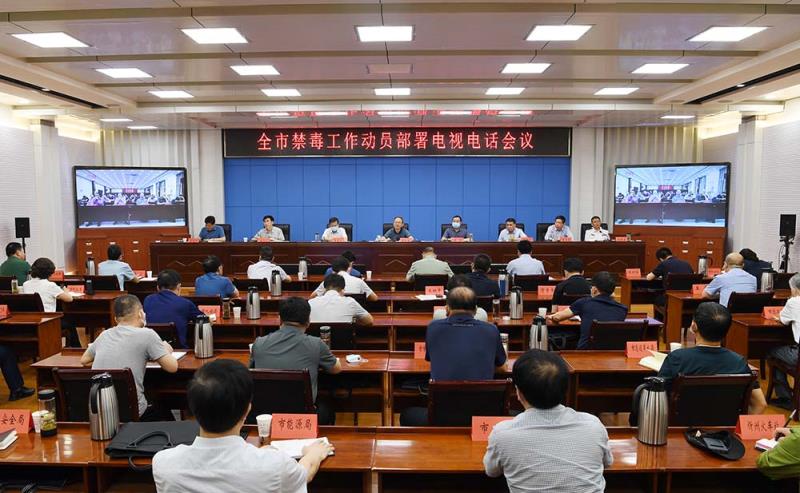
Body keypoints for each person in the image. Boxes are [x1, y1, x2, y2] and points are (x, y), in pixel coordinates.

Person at [153, 359, 334, 492]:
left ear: (192, 408)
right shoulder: (274, 465)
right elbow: (303, 475)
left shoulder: (163, 464)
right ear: (247, 410)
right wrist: (313, 454)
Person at [484, 350, 612, 492]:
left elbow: (492, 471)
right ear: (565, 390)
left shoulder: (502, 433)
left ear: (518, 392)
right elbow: (607, 462)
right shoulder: (593, 426)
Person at [401, 287, 506, 426]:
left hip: (441, 417)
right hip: (482, 417)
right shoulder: (491, 330)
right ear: (476, 310)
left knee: (407, 414)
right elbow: (502, 366)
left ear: (447, 308)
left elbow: (431, 359)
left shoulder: (433, 328)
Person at [657, 302, 766, 414]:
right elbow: (760, 404)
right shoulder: (739, 362)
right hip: (725, 424)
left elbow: (657, 398)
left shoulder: (677, 358)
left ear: (694, 326)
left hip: (682, 423)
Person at [81, 295, 179, 420]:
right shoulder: (148, 334)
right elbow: (172, 367)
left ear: (115, 319)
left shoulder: (105, 334)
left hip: (102, 411)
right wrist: (166, 350)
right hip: (133, 412)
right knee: (163, 406)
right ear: (140, 314)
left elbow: (84, 360)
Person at [250, 297, 342, 424]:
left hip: (266, 416)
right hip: (302, 418)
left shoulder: (259, 343)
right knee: (327, 407)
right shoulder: (316, 344)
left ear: (280, 320)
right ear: (308, 321)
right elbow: (336, 369)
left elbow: (252, 370)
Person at [548, 271, 628, 350]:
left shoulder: (584, 302)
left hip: (585, 351)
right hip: (611, 353)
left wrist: (550, 316)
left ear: (594, 289)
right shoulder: (623, 309)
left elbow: (558, 317)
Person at [23, 257, 80, 347]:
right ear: (49, 273)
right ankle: (76, 349)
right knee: (70, 324)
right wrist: (66, 291)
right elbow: (69, 299)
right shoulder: (50, 285)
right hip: (48, 321)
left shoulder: (26, 284)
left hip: (32, 321)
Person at [763, 273, 800, 409]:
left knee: (771, 352)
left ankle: (785, 397)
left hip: (797, 355)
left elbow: (783, 320)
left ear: (794, 289)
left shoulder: (794, 301)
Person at [143, 269, 204, 349]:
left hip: (152, 349)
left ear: (158, 287)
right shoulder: (185, 303)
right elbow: (203, 320)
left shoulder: (148, 300)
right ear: (178, 286)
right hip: (178, 350)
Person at [309, 274, 373, 325]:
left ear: (324, 288)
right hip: (344, 337)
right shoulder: (350, 302)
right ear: (343, 289)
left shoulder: (311, 302)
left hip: (315, 338)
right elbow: (369, 321)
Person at [311, 256, 377, 301]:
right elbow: (374, 298)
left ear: (333, 270)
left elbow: (312, 297)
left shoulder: (327, 282)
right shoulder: (359, 281)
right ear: (348, 268)